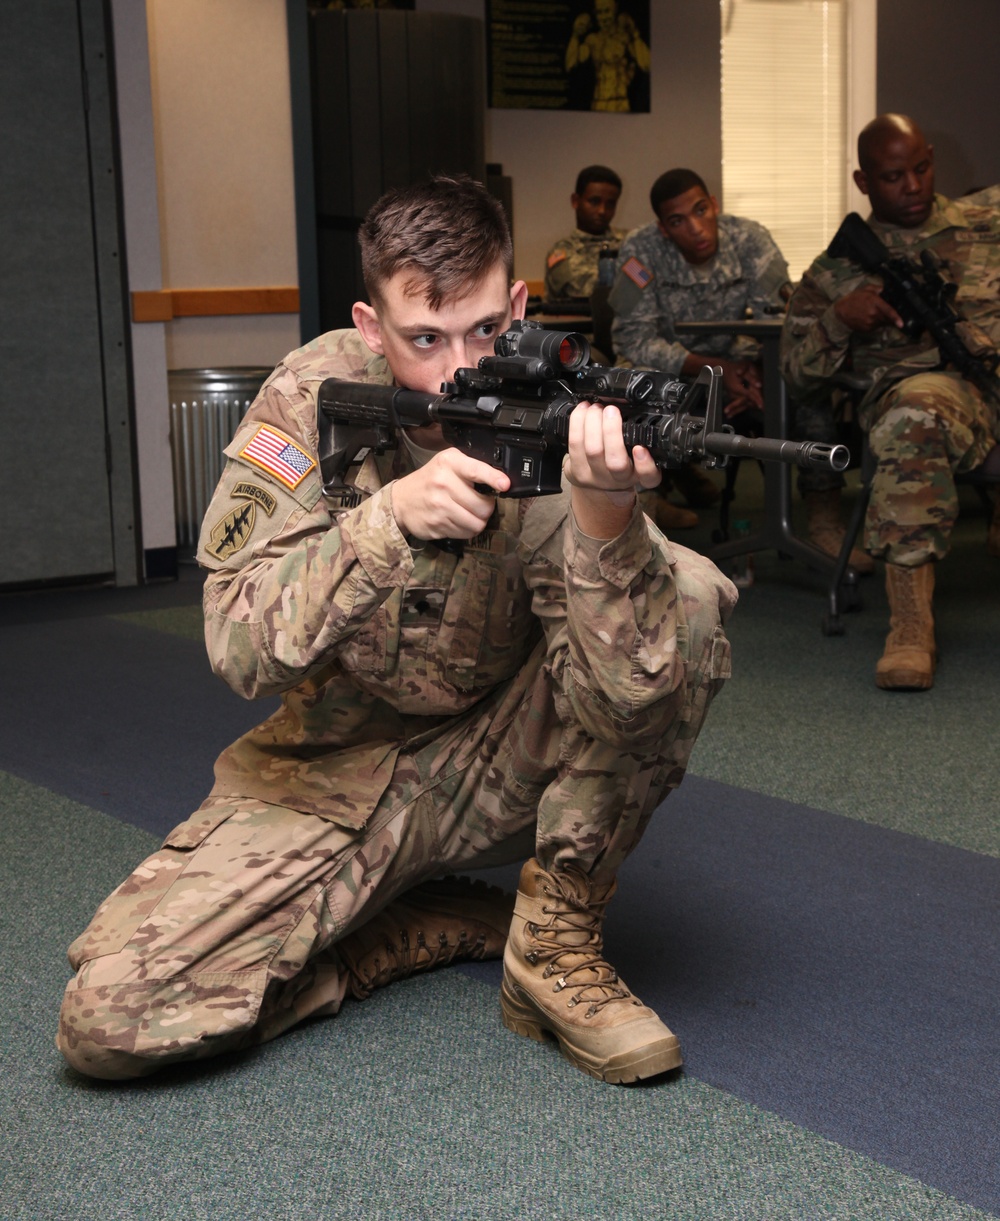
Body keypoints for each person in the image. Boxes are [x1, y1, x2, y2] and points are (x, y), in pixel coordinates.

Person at [57, 176, 737, 1085]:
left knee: (683, 595)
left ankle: (553, 939)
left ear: (520, 303)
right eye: (424, 338)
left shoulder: (560, 418)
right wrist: (386, 522)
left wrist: (606, 525)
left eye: (487, 328)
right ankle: (392, 933)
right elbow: (237, 646)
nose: (460, 366)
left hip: (493, 764)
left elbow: (634, 700)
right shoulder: (309, 395)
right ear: (371, 327)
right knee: (111, 1016)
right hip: (326, 770)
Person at [781, 114, 1000, 690]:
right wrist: (838, 318)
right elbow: (795, 379)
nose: (914, 186)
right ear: (863, 182)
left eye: (923, 168)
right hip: (930, 399)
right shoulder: (836, 271)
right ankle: (909, 627)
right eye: (894, 176)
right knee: (914, 414)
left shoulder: (987, 222)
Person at [610, 168, 801, 538]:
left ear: (714, 205)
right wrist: (714, 369)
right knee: (626, 389)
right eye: (679, 221)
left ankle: (815, 516)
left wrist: (755, 374)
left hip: (739, 366)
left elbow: (782, 324)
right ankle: (643, 506)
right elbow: (633, 340)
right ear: (664, 228)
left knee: (800, 384)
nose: (696, 228)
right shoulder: (640, 250)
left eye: (701, 211)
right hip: (670, 370)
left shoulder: (749, 240)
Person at [543, 165, 626, 303]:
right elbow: (579, 292)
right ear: (575, 201)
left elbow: (644, 283)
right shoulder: (561, 252)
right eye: (594, 201)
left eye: (610, 204)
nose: (602, 211)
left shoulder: (629, 243)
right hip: (580, 323)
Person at [565, 0, 650, 114]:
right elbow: (570, 66)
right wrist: (575, 36)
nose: (603, 17)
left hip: (620, 103)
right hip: (598, 102)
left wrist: (635, 34)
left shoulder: (624, 38)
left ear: (615, 11)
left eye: (607, 11)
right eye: (599, 12)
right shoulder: (592, 40)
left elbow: (646, 65)